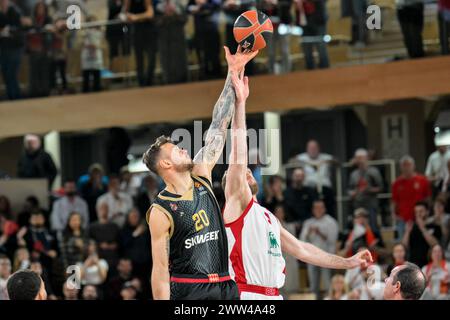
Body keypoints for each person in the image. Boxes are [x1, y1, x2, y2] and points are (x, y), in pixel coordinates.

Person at [222, 71, 372, 300]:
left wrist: (347, 262)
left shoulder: (268, 217)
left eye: (248, 172)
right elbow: (238, 154)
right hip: (246, 295)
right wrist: (240, 103)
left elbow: (303, 249)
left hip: (274, 296)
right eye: (242, 173)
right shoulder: (236, 204)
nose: (248, 173)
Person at [142, 47, 257, 300]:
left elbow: (218, 124)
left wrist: (233, 71)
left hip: (225, 284)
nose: (183, 149)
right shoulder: (161, 211)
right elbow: (160, 271)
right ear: (165, 166)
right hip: (190, 289)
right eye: (176, 150)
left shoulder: (200, 174)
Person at [300, 199, 339, 299]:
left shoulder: (331, 222)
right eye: (315, 208)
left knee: (327, 283)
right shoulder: (308, 223)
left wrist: (320, 233)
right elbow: (301, 240)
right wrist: (308, 232)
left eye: (320, 207)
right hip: (311, 257)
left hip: (326, 256)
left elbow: (333, 240)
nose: (318, 210)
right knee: (313, 284)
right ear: (313, 210)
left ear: (324, 209)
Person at [392, 155, 431, 240]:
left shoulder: (422, 180)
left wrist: (427, 213)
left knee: (421, 241)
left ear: (413, 166)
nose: (406, 168)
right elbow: (394, 202)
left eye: (408, 165)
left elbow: (427, 199)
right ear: (401, 167)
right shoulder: (396, 183)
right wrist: (394, 214)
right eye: (404, 165)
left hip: (420, 218)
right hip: (403, 218)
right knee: (403, 244)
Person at [348, 148, 383, 232]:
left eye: (361, 158)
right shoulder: (354, 174)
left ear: (366, 158)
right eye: (358, 158)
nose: (360, 160)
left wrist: (369, 189)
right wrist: (353, 193)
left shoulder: (374, 172)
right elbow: (350, 189)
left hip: (370, 204)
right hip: (357, 204)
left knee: (373, 227)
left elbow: (381, 187)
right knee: (358, 229)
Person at [125, 0, 156, 87]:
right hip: (136, 31)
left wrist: (136, 17)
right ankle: (141, 83)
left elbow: (150, 14)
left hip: (148, 30)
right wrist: (135, 17)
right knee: (139, 60)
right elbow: (126, 14)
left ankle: (149, 81)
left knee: (151, 58)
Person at [188, 0, 222, 79]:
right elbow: (188, 8)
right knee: (202, 57)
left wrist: (202, 5)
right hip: (200, 32)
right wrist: (193, 8)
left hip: (212, 31)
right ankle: (204, 76)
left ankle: (217, 75)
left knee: (215, 55)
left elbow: (217, 4)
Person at [26, 1, 53, 98]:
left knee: (44, 71)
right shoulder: (32, 19)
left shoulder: (48, 19)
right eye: (39, 8)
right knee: (34, 72)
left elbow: (50, 31)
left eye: (42, 8)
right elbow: (28, 31)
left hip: (44, 49)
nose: (40, 10)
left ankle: (45, 91)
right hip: (33, 49)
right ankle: (34, 92)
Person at [402, 201, 441, 267]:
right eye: (416, 212)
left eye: (421, 211)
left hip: (430, 264)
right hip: (414, 264)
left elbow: (435, 244)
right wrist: (407, 232)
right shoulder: (412, 227)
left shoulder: (435, 226)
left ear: (427, 212)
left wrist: (422, 228)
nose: (418, 214)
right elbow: (404, 246)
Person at [0, 0, 25, 100]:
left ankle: (16, 97)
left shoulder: (15, 11)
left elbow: (19, 29)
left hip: (15, 48)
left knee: (12, 74)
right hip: (4, 48)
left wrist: (6, 30)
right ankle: (11, 96)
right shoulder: (1, 13)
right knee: (6, 73)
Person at [259, 0, 292, 74]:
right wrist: (265, 3)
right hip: (268, 27)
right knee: (270, 52)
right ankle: (271, 72)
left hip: (283, 24)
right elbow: (258, 7)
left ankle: (287, 72)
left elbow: (289, 3)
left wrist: (277, 3)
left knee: (285, 50)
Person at [296, 0, 329, 69]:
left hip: (319, 20)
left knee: (321, 47)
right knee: (306, 48)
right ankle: (310, 68)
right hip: (304, 21)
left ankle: (324, 67)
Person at [120, 208, 151, 280]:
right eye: (133, 217)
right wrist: (135, 234)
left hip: (146, 263)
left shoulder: (145, 230)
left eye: (136, 217)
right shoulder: (124, 230)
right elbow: (124, 244)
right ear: (128, 218)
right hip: (132, 263)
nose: (135, 219)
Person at [88, 202, 120, 270]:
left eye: (105, 209)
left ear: (108, 210)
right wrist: (98, 245)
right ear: (97, 210)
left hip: (113, 258)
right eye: (101, 209)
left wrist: (112, 246)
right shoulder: (92, 227)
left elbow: (119, 242)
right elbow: (90, 243)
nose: (103, 211)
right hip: (99, 258)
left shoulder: (114, 226)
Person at [81, 15, 104, 93]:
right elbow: (82, 42)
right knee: (86, 78)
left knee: (96, 78)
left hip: (96, 57)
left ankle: (97, 92)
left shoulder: (99, 33)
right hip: (87, 57)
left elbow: (98, 43)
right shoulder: (84, 32)